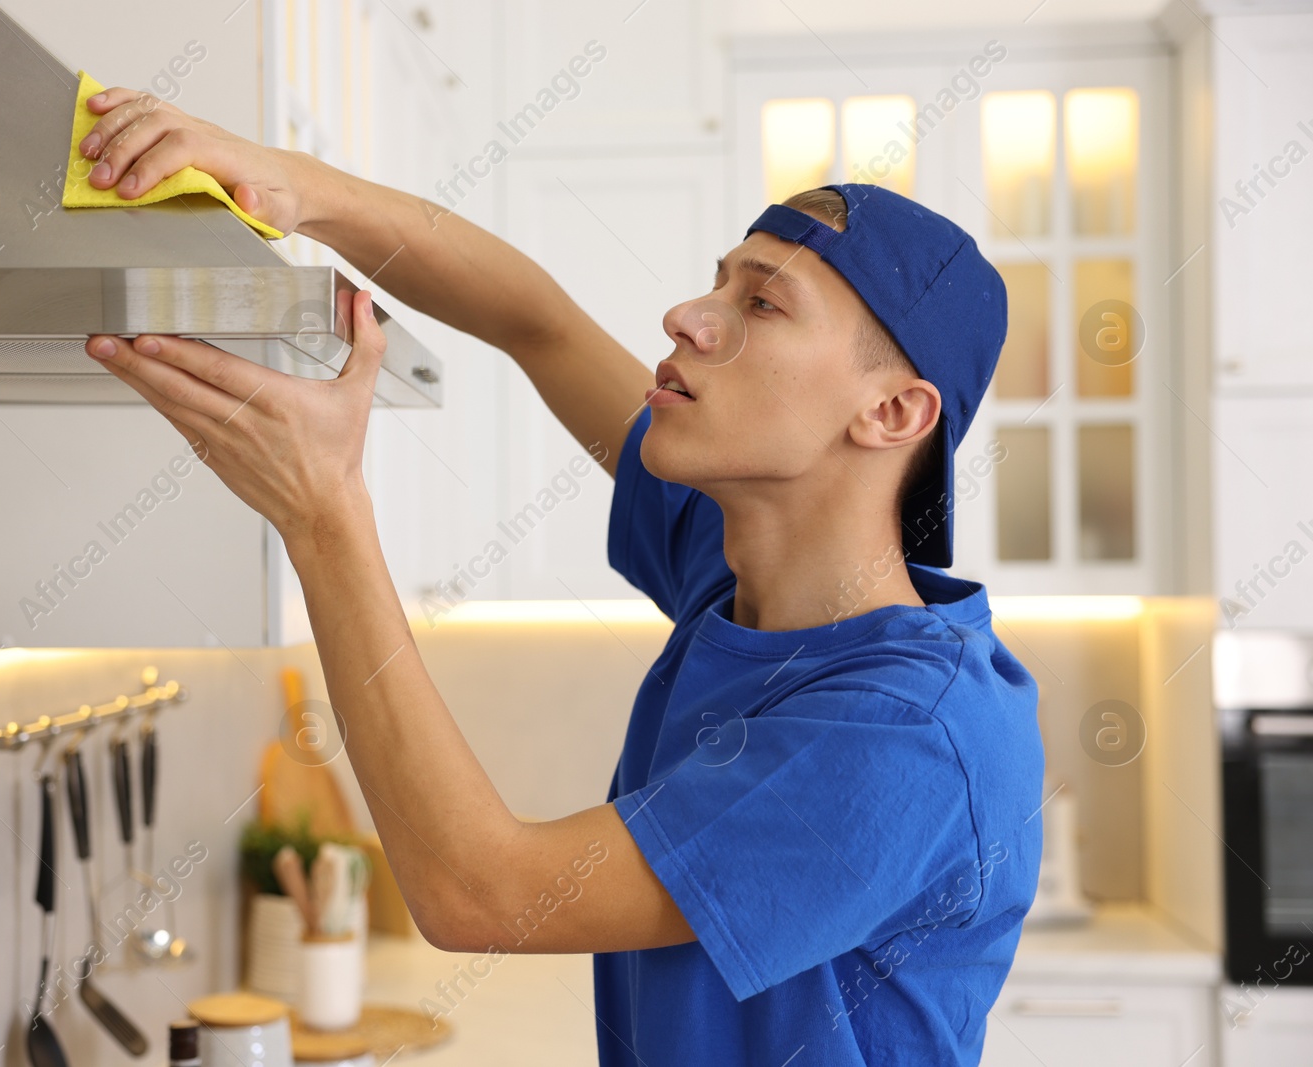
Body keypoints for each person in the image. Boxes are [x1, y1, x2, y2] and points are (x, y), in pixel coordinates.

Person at [77, 86, 1045, 1066]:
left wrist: (322, 514)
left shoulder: (905, 734)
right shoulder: (750, 576)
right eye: (716, 283)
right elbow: (533, 319)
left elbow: (480, 891)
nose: (683, 316)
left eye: (758, 302)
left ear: (889, 414)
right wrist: (295, 187)